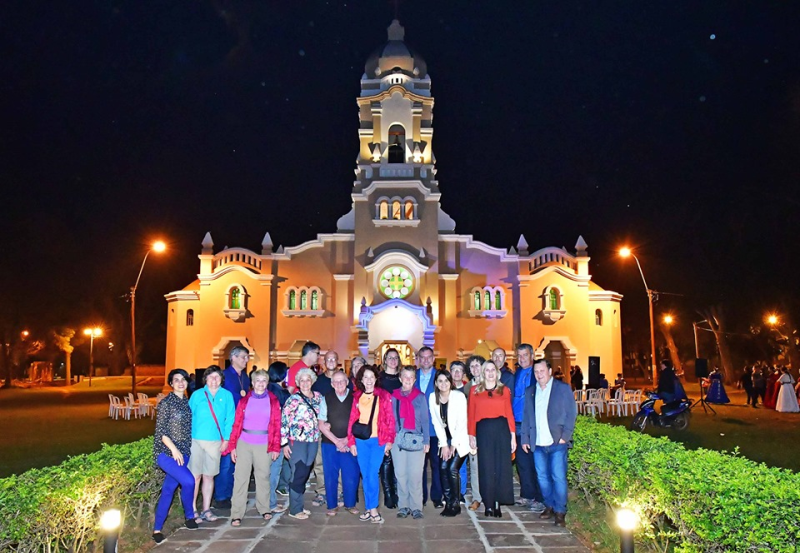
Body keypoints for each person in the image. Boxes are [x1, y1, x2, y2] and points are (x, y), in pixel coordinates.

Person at [520, 360, 577, 527]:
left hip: (556, 441)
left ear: (550, 371)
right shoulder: (531, 391)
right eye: (536, 371)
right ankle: (549, 505)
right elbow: (526, 417)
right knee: (542, 478)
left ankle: (560, 511)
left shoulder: (562, 388)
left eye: (542, 370)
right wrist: (525, 438)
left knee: (558, 477)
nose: (539, 374)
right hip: (537, 443)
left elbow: (571, 413)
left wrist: (565, 436)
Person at [223, 369, 281, 526]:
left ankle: (264, 508)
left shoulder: (273, 401)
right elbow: (236, 424)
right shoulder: (244, 401)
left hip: (264, 444)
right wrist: (233, 446)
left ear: (267, 383)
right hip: (244, 442)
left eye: (264, 380)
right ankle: (236, 513)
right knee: (241, 478)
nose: (261, 383)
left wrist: (276, 447)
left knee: (263, 477)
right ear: (253, 383)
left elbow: (277, 425)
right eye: (258, 380)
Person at [152, 369, 197, 544]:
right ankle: (190, 516)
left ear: (187, 382)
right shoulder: (166, 403)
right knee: (189, 481)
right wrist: (174, 450)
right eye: (176, 380)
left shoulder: (186, 403)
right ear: (171, 383)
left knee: (168, 490)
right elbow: (161, 432)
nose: (180, 382)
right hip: (167, 453)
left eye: (183, 379)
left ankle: (156, 529)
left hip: (183, 453)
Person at [348, 365, 395, 523]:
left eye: (371, 377)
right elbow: (352, 421)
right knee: (365, 474)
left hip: (378, 440)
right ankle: (369, 508)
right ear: (361, 379)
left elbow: (390, 419)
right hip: (361, 441)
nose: (368, 380)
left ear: (376, 379)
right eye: (365, 377)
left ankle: (373, 508)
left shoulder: (383, 395)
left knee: (372, 473)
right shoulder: (356, 397)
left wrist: (390, 440)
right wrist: (351, 442)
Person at [468, 360, 516, 517]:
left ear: (497, 372)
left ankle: (497, 502)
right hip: (483, 431)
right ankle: (488, 503)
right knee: (486, 467)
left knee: (500, 467)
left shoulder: (505, 390)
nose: (490, 373)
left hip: (501, 429)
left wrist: (513, 436)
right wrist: (471, 435)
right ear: (483, 373)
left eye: (492, 370)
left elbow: (509, 414)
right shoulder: (475, 390)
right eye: (486, 370)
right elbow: (471, 415)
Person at [188, 366, 235, 522]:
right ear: (205, 379)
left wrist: (226, 440)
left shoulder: (226, 396)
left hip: (215, 441)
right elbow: (189, 416)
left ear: (221, 379)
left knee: (209, 476)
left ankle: (206, 509)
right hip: (196, 440)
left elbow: (230, 419)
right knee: (195, 476)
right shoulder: (197, 395)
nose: (214, 380)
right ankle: (192, 509)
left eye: (217, 377)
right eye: (210, 377)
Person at [280, 368, 323, 520]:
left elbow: (323, 416)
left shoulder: (318, 397)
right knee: (297, 473)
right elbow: (284, 421)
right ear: (298, 382)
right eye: (302, 380)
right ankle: (294, 509)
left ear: (312, 381)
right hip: (296, 441)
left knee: (304, 473)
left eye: (308, 379)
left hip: (313, 440)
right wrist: (284, 444)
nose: (305, 383)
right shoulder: (293, 400)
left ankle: (299, 505)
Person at [317, 370, 360, 516]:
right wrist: (337, 442)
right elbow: (321, 424)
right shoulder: (326, 398)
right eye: (336, 381)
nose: (339, 384)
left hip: (350, 442)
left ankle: (350, 504)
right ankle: (332, 505)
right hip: (330, 443)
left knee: (351, 475)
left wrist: (346, 440)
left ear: (347, 382)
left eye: (342, 381)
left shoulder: (355, 398)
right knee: (330, 475)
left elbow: (359, 422)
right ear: (331, 383)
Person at [215, 346, 252, 509]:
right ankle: (221, 496)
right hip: (228, 423)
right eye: (243, 357)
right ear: (234, 358)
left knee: (237, 461)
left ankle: (233, 494)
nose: (246, 360)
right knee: (226, 461)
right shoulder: (224, 376)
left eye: (247, 357)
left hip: (242, 424)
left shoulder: (245, 377)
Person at [391, 366, 429, 519]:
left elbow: (425, 421)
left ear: (414, 379)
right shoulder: (393, 396)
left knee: (415, 474)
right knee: (400, 474)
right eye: (404, 376)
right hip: (398, 439)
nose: (407, 379)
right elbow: (389, 419)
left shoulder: (420, 397)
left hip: (416, 439)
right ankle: (403, 505)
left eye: (410, 377)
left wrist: (427, 440)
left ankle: (416, 507)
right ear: (400, 378)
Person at [430, 369, 469, 517]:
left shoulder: (458, 396)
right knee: (442, 467)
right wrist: (444, 444)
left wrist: (454, 444)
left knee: (452, 468)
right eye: (440, 381)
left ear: (450, 382)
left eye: (446, 380)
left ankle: (456, 503)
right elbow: (436, 423)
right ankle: (448, 502)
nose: (443, 384)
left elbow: (462, 422)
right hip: (445, 440)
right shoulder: (433, 397)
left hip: (460, 439)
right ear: (436, 383)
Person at [511, 344, 545, 513]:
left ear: (532, 355)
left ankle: (540, 498)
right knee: (522, 462)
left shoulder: (537, 372)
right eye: (519, 355)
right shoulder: (516, 373)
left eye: (525, 355)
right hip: (517, 423)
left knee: (536, 462)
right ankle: (527, 494)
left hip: (532, 424)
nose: (522, 358)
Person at [310, 350, 345, 507]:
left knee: (338, 462)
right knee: (320, 462)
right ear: (324, 362)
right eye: (328, 359)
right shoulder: (317, 381)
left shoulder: (343, 380)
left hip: (339, 429)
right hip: (321, 427)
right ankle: (322, 491)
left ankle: (338, 492)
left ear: (337, 361)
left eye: (333, 359)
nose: (331, 361)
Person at [415, 346, 442, 508]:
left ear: (433, 359)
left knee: (437, 465)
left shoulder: (440, 377)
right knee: (419, 467)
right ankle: (421, 497)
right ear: (418, 359)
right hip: (417, 431)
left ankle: (437, 497)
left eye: (428, 357)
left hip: (435, 430)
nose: (425, 360)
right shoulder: (412, 377)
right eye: (422, 357)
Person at [378, 348, 402, 509]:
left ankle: (396, 493)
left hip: (400, 422)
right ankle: (388, 494)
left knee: (397, 460)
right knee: (386, 459)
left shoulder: (402, 379)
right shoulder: (378, 380)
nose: (393, 360)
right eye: (390, 358)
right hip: (383, 423)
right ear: (385, 360)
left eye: (395, 358)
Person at [267, 361, 291, 512]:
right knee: (274, 470)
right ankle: (270, 503)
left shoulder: (264, 389)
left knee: (265, 470)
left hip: (263, 436)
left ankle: (266, 501)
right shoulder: (282, 394)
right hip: (277, 437)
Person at [462, 357, 484, 512]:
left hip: (489, 430)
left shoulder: (492, 383)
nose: (475, 368)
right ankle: (477, 497)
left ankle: (490, 496)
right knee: (475, 466)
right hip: (473, 430)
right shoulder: (467, 388)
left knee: (489, 466)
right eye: (472, 366)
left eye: (478, 365)